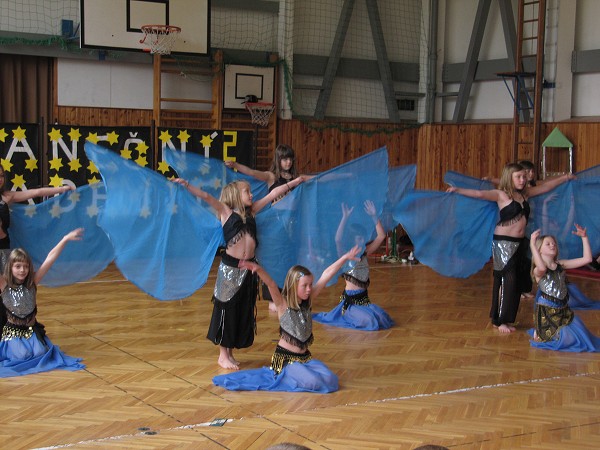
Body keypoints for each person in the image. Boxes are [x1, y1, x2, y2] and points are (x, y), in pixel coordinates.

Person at [173, 177, 305, 370]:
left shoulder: (252, 211)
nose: (252, 195)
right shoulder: (226, 212)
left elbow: (273, 194)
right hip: (230, 269)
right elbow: (207, 196)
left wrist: (296, 182)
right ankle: (222, 354)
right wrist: (187, 186)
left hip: (249, 269)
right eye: (247, 192)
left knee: (241, 310)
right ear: (236, 195)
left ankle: (230, 353)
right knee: (226, 310)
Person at [212, 245, 361, 393]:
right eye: (305, 286)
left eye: (310, 285)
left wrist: (344, 258)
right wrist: (257, 269)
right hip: (286, 361)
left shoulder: (308, 301)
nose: (309, 289)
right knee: (314, 382)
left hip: (304, 359)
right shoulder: (283, 304)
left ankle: (300, 375)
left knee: (331, 380)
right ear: (293, 285)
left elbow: (326, 274)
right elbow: (270, 283)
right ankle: (289, 376)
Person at [447, 163, 574, 334]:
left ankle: (505, 318)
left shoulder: (526, 194)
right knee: (507, 280)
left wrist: (565, 178)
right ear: (509, 177)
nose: (523, 180)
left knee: (517, 281)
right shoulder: (501, 195)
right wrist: (458, 190)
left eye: (524, 176)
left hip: (521, 242)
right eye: (519, 177)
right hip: (503, 243)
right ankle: (499, 320)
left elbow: (546, 187)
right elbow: (479, 194)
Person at [0, 228, 85, 377]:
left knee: (40, 353)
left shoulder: (32, 282)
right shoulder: (4, 285)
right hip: (12, 332)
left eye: (25, 266)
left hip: (30, 330)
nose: (22, 270)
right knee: (22, 356)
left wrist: (64, 239)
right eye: (18, 266)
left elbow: (50, 259)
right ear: (10, 268)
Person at [312, 200, 393, 330]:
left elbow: (381, 236)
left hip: (364, 300)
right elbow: (338, 239)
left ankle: (361, 314)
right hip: (350, 303)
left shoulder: (365, 252)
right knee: (370, 322)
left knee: (383, 318)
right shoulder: (345, 254)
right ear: (352, 239)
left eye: (363, 238)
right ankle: (347, 315)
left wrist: (374, 216)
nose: (363, 240)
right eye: (359, 238)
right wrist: (345, 217)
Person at [528, 224, 600, 351]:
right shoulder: (537, 270)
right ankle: (541, 332)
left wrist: (584, 237)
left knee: (580, 335)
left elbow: (587, 259)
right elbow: (543, 268)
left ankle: (545, 333)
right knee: (568, 339)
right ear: (539, 250)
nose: (552, 245)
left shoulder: (561, 264)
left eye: (554, 243)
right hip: (548, 312)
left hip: (563, 310)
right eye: (548, 244)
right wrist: (532, 245)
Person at [0, 166, 74, 249]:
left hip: (3, 243)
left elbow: (37, 192)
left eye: (2, 176)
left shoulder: (7, 196)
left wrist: (62, 189)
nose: (0, 179)